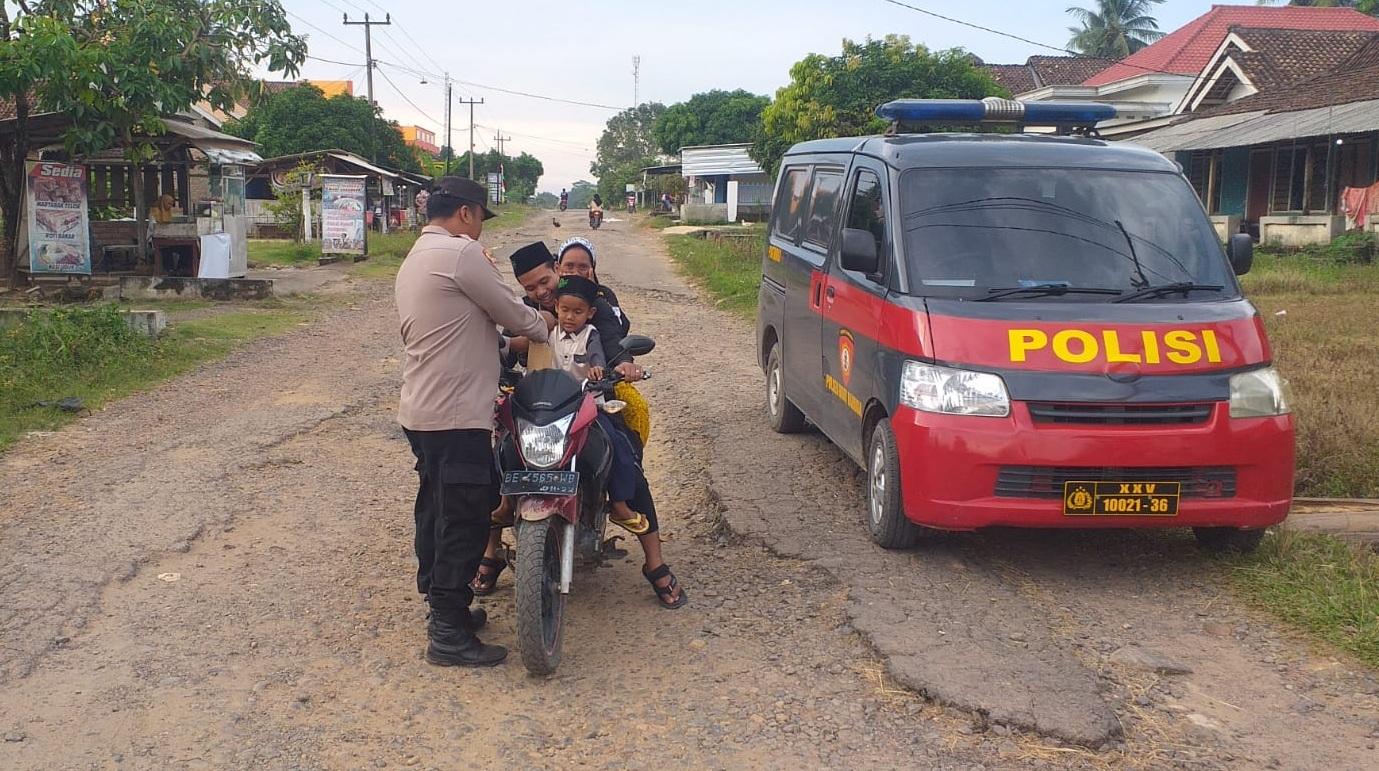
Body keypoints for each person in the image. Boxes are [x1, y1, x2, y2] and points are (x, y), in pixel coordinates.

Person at [395, 176, 556, 667]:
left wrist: (505, 348)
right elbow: (514, 314)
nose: (481, 229)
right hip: (454, 415)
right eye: (482, 218)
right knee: (466, 515)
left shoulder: (417, 255)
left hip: (423, 411)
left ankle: (447, 608)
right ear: (465, 213)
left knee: (438, 507)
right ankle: (447, 631)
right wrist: (543, 325)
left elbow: (460, 332)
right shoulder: (461, 253)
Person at [475, 244, 687, 609]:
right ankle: (492, 546)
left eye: (545, 281)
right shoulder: (525, 311)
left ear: (556, 270)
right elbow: (511, 344)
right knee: (499, 455)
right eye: (531, 287)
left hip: (586, 401)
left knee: (623, 457)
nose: (541, 291)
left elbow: (612, 345)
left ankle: (654, 561)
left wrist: (622, 366)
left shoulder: (594, 304)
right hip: (537, 405)